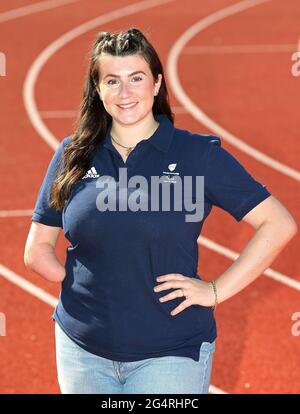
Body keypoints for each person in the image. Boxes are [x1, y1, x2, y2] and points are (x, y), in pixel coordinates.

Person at [24, 27, 297, 395]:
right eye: (112, 81)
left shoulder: (197, 155)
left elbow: (277, 223)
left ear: (156, 84)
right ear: (98, 90)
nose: (125, 92)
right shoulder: (73, 154)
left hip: (170, 353)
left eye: (136, 78)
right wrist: (78, 281)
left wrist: (216, 291)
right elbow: (38, 247)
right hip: (82, 351)